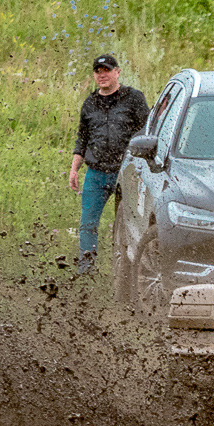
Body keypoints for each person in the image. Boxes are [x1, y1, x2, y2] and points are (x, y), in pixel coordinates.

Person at [68, 53, 150, 276]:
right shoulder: (90, 103)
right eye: (97, 71)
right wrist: (74, 168)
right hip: (95, 173)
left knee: (128, 225)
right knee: (87, 224)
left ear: (117, 72)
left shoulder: (133, 98)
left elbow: (148, 132)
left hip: (127, 172)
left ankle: (129, 272)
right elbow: (82, 138)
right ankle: (86, 272)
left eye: (106, 70)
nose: (102, 75)